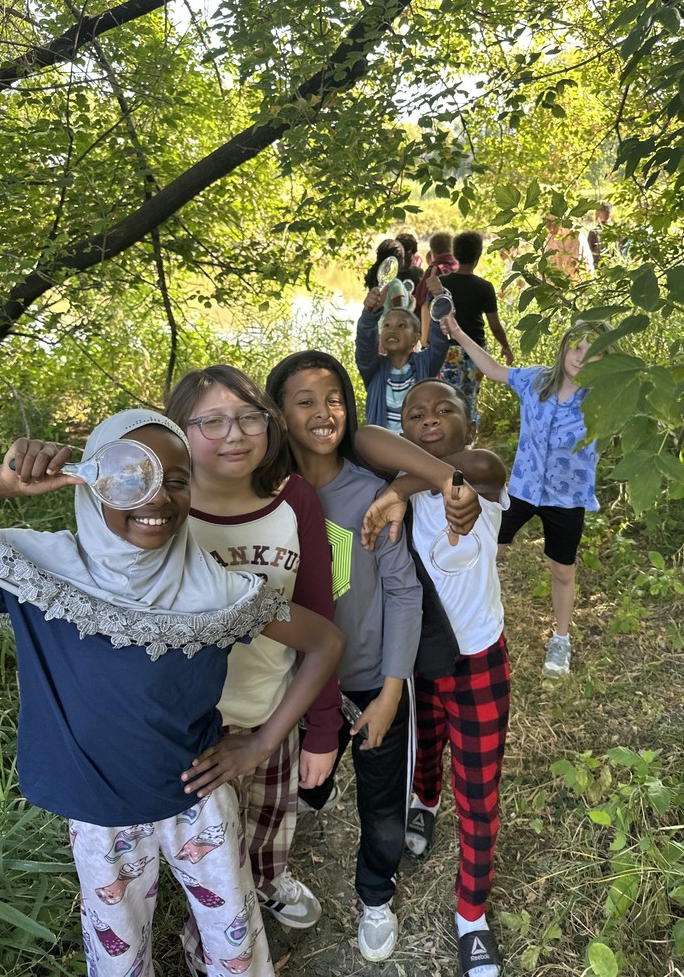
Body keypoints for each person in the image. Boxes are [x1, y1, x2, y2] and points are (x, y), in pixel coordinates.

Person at [0, 410, 345, 977]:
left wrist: (262, 742)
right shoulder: (38, 571)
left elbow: (325, 642)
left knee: (235, 948)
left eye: (176, 480)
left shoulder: (217, 591)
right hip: (99, 818)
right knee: (118, 954)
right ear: (91, 481)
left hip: (198, 804)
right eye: (130, 476)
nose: (156, 496)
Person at [265, 351, 477, 962]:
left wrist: (390, 691)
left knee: (383, 801)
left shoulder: (372, 495)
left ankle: (376, 896)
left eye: (333, 398)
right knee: (301, 781)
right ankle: (293, 834)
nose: (322, 411)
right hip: (297, 683)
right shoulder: (267, 496)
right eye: (304, 401)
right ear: (279, 414)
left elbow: (404, 592)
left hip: (371, 679)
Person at [164, 366, 342, 954]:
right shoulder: (159, 511)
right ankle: (208, 938)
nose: (235, 434)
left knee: (271, 824)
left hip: (274, 708)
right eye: (211, 422)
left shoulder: (295, 499)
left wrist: (320, 729)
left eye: (248, 417)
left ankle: (267, 881)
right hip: (193, 728)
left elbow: (319, 616)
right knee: (214, 854)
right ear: (178, 431)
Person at [356, 380, 511, 977]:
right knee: (425, 754)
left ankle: (471, 914)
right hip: (419, 662)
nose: (429, 418)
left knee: (480, 790)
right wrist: (403, 486)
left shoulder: (477, 482)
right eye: (415, 414)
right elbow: (365, 438)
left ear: (470, 422)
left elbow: (481, 465)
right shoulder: (403, 482)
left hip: (479, 664)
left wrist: (407, 486)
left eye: (446, 409)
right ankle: (425, 802)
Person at [441, 314, 615, 679]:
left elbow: (660, 416)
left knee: (562, 570)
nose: (581, 357)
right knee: (486, 549)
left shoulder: (606, 400)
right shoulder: (535, 381)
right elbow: (492, 369)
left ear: (606, 359)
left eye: (593, 352)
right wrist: (458, 332)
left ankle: (561, 639)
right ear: (564, 346)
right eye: (577, 346)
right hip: (522, 490)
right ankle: (466, 621)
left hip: (567, 500)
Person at [426, 230, 514, 425]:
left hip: (448, 350)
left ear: (455, 255)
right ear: (478, 256)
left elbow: (430, 314)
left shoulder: (441, 284)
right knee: (471, 397)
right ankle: (470, 435)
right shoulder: (484, 287)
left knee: (449, 398)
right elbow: (495, 326)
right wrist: (505, 346)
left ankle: (451, 433)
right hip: (476, 352)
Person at [355, 299, 449, 431]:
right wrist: (369, 314)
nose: (392, 330)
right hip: (381, 442)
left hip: (415, 441)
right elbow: (365, 345)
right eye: (387, 325)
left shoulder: (424, 364)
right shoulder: (373, 368)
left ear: (415, 339)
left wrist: (439, 299)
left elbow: (439, 344)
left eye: (401, 326)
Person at [416, 230, 459, 344]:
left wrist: (424, 338)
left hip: (440, 332)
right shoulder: (460, 267)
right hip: (461, 331)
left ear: (433, 252)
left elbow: (426, 304)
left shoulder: (434, 270)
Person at [587, 201, 613, 269]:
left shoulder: (594, 233)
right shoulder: (615, 232)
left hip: (597, 268)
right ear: (610, 215)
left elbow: (588, 254)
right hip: (613, 267)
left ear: (598, 214)